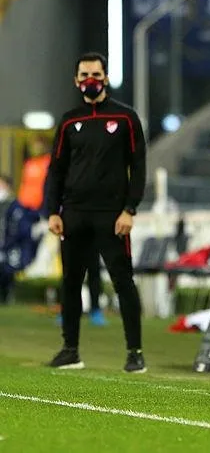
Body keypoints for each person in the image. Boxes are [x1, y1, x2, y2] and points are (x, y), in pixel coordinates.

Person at [45, 52, 147, 372]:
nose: (91, 80)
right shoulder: (68, 120)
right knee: (71, 283)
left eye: (96, 75)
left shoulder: (126, 118)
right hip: (74, 213)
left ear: (106, 78)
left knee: (123, 282)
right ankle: (70, 350)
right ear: (76, 80)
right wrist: (53, 211)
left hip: (112, 215)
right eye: (85, 75)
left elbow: (139, 166)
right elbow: (56, 169)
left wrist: (129, 209)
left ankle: (135, 353)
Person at [0, 175, 42, 304]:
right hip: (5, 246)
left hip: (11, 248)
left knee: (7, 270)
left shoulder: (15, 206)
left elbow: (19, 229)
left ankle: (8, 294)